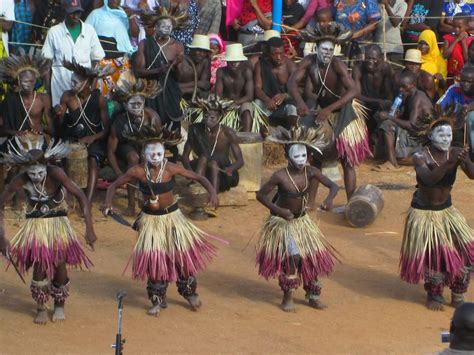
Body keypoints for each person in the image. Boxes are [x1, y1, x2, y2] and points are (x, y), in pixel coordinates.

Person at [102, 129, 219, 316]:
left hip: (173, 219)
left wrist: (212, 191)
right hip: (150, 221)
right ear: (144, 154)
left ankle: (189, 293)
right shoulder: (138, 171)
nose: (156, 157)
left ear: (164, 153)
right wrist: (108, 203)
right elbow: (114, 185)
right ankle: (157, 299)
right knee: (155, 262)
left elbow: (198, 177)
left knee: (182, 257)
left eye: (159, 153)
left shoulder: (170, 168)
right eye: (152, 154)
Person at [0, 136, 96, 324]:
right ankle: (41, 306)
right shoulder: (19, 180)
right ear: (26, 169)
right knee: (39, 264)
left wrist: (89, 228)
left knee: (59, 262)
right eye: (32, 173)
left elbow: (81, 196)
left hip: (58, 221)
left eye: (40, 173)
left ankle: (59, 304)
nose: (36, 177)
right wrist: (1, 237)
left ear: (46, 167)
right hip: (36, 224)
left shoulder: (56, 173)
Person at [256, 126, 338, 312]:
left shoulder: (311, 172)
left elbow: (333, 186)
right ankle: (288, 296)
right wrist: (278, 210)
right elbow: (260, 196)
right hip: (283, 223)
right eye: (297, 156)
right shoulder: (280, 176)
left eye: (304, 156)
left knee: (312, 257)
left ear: (309, 155)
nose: (301, 161)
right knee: (293, 257)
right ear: (287, 156)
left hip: (302, 222)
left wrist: (329, 200)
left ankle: (313, 295)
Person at [288, 24, 371, 203]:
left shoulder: (337, 64)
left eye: (330, 50)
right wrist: (301, 103)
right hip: (322, 110)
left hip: (343, 111)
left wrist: (329, 109)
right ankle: (310, 203)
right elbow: (291, 83)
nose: (327, 53)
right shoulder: (308, 62)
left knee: (346, 161)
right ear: (316, 49)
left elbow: (353, 91)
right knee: (316, 157)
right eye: (324, 49)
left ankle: (351, 203)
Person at [399, 118, 474, 311]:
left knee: (469, 251)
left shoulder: (456, 152)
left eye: (449, 135)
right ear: (430, 136)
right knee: (436, 256)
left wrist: (466, 159)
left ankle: (458, 291)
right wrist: (450, 163)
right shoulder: (420, 156)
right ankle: (435, 294)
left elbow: (472, 174)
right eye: (441, 134)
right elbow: (429, 179)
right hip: (425, 214)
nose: (446, 139)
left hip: (447, 212)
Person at [54, 61, 110, 202]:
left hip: (95, 139)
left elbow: (107, 129)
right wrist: (59, 115)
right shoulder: (67, 96)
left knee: (92, 160)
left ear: (87, 83)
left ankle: (87, 201)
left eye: (76, 83)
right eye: (71, 81)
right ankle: (65, 198)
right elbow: (60, 126)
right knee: (61, 158)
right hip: (73, 137)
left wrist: (93, 138)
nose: (72, 85)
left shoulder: (99, 99)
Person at [108, 72, 162, 216]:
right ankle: (131, 204)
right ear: (125, 104)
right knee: (133, 157)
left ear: (144, 103)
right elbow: (111, 151)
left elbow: (159, 143)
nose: (137, 107)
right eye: (133, 104)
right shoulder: (119, 121)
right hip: (126, 148)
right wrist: (118, 172)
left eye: (140, 103)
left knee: (145, 158)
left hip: (148, 147)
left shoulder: (152, 117)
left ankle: (149, 200)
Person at [41, 0, 105, 106]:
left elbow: (96, 59)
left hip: (83, 90)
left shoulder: (90, 31)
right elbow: (46, 63)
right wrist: (48, 91)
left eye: (78, 12)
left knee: (82, 118)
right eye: (72, 13)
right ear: (65, 12)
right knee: (60, 118)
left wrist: (91, 87)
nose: (76, 16)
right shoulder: (54, 31)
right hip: (60, 87)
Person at [134, 5, 185, 131]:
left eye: (169, 26)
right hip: (151, 90)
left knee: (171, 128)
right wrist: (158, 70)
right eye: (163, 26)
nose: (167, 29)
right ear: (156, 27)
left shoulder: (177, 46)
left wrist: (177, 65)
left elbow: (179, 77)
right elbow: (138, 72)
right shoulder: (144, 44)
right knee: (151, 125)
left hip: (170, 91)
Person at [182, 96, 244, 195]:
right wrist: (189, 172)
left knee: (214, 163)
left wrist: (230, 169)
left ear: (219, 117)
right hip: (202, 168)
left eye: (212, 118)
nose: (208, 120)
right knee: (203, 158)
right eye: (205, 116)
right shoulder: (195, 130)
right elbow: (185, 155)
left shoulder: (228, 133)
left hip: (224, 172)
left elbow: (240, 161)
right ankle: (198, 191)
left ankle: (213, 196)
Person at [375, 71, 433, 171]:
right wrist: (397, 115)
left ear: (413, 85)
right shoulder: (409, 95)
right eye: (399, 87)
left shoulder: (418, 98)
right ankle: (384, 156)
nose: (401, 90)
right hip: (415, 132)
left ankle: (393, 163)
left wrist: (390, 117)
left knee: (387, 124)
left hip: (419, 137)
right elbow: (407, 118)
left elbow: (412, 125)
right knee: (382, 119)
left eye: (404, 87)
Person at [0, 53, 54, 138]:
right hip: (15, 142)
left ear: (35, 81)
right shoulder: (10, 99)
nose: (29, 84)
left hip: (37, 141)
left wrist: (42, 127)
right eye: (25, 81)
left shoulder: (44, 99)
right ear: (19, 81)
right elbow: (1, 130)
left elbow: (52, 130)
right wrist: (15, 132)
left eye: (31, 81)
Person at [215, 43, 261, 132]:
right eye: (230, 61)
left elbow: (249, 96)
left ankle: (245, 137)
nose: (233, 64)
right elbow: (218, 94)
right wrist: (223, 104)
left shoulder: (246, 72)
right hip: (226, 101)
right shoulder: (221, 71)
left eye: (236, 61)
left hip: (242, 101)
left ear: (241, 61)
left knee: (247, 111)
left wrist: (236, 103)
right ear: (226, 61)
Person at [254, 37, 298, 129]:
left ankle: (293, 134)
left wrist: (284, 95)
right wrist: (266, 100)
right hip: (268, 104)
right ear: (269, 54)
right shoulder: (261, 64)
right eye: (274, 54)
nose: (278, 57)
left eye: (281, 53)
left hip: (286, 104)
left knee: (292, 108)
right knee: (257, 104)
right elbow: (257, 87)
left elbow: (299, 90)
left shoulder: (290, 66)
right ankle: (263, 133)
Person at [352, 44, 393, 135]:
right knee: (357, 106)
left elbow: (388, 92)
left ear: (381, 59)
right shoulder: (358, 69)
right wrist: (377, 101)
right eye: (368, 58)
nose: (370, 61)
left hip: (380, 104)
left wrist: (388, 105)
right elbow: (356, 95)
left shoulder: (385, 68)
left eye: (374, 59)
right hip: (364, 103)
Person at [437, 66, 474, 146]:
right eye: (462, 81)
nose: (465, 84)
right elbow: (439, 107)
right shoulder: (454, 89)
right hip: (457, 127)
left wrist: (469, 107)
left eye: (469, 82)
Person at [178, 34, 211, 100]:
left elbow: (204, 85)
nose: (201, 54)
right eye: (198, 50)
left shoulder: (205, 61)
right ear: (191, 49)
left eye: (204, 52)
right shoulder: (180, 62)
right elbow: (172, 86)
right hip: (177, 97)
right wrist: (197, 83)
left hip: (194, 99)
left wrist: (184, 90)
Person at [374, 0, 407, 65]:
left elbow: (395, 23)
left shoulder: (402, 4)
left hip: (395, 49)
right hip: (380, 48)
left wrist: (386, 5)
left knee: (395, 73)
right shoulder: (375, 4)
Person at [442, 14, 473, 81]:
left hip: (465, 74)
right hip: (450, 73)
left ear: (466, 26)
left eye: (459, 27)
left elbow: (467, 59)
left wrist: (463, 42)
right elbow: (445, 55)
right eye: (454, 26)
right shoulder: (448, 37)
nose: (456, 29)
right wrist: (456, 40)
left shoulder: (470, 40)